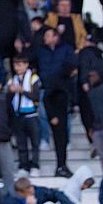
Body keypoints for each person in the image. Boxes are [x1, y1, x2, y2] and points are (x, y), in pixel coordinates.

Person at [36, 28, 77, 177]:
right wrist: (52, 115)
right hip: (52, 98)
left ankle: (62, 165)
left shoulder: (65, 51)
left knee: (62, 136)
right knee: (59, 136)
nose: (45, 38)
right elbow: (47, 98)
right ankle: (60, 165)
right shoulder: (41, 52)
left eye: (48, 35)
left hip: (61, 100)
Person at [8, 54, 41, 177]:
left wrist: (23, 91)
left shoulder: (33, 78)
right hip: (19, 115)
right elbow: (9, 99)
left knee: (35, 143)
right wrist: (11, 91)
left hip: (32, 114)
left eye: (20, 65)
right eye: (16, 65)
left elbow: (36, 96)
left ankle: (35, 165)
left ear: (26, 65)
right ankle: (24, 165)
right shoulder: (13, 79)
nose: (18, 68)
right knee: (21, 143)